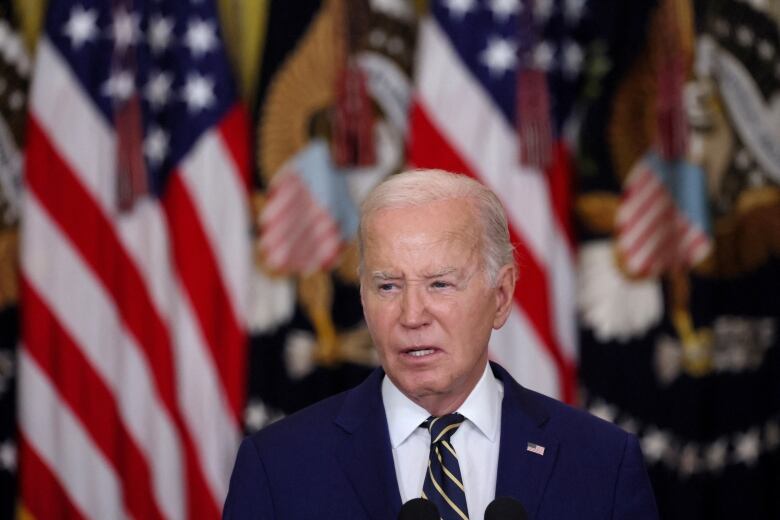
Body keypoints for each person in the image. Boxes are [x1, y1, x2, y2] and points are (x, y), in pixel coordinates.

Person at [223, 169, 659, 519]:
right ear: (362, 297)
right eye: (389, 286)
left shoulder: (601, 463)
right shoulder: (279, 467)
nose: (412, 316)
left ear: (501, 296)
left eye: (441, 284)